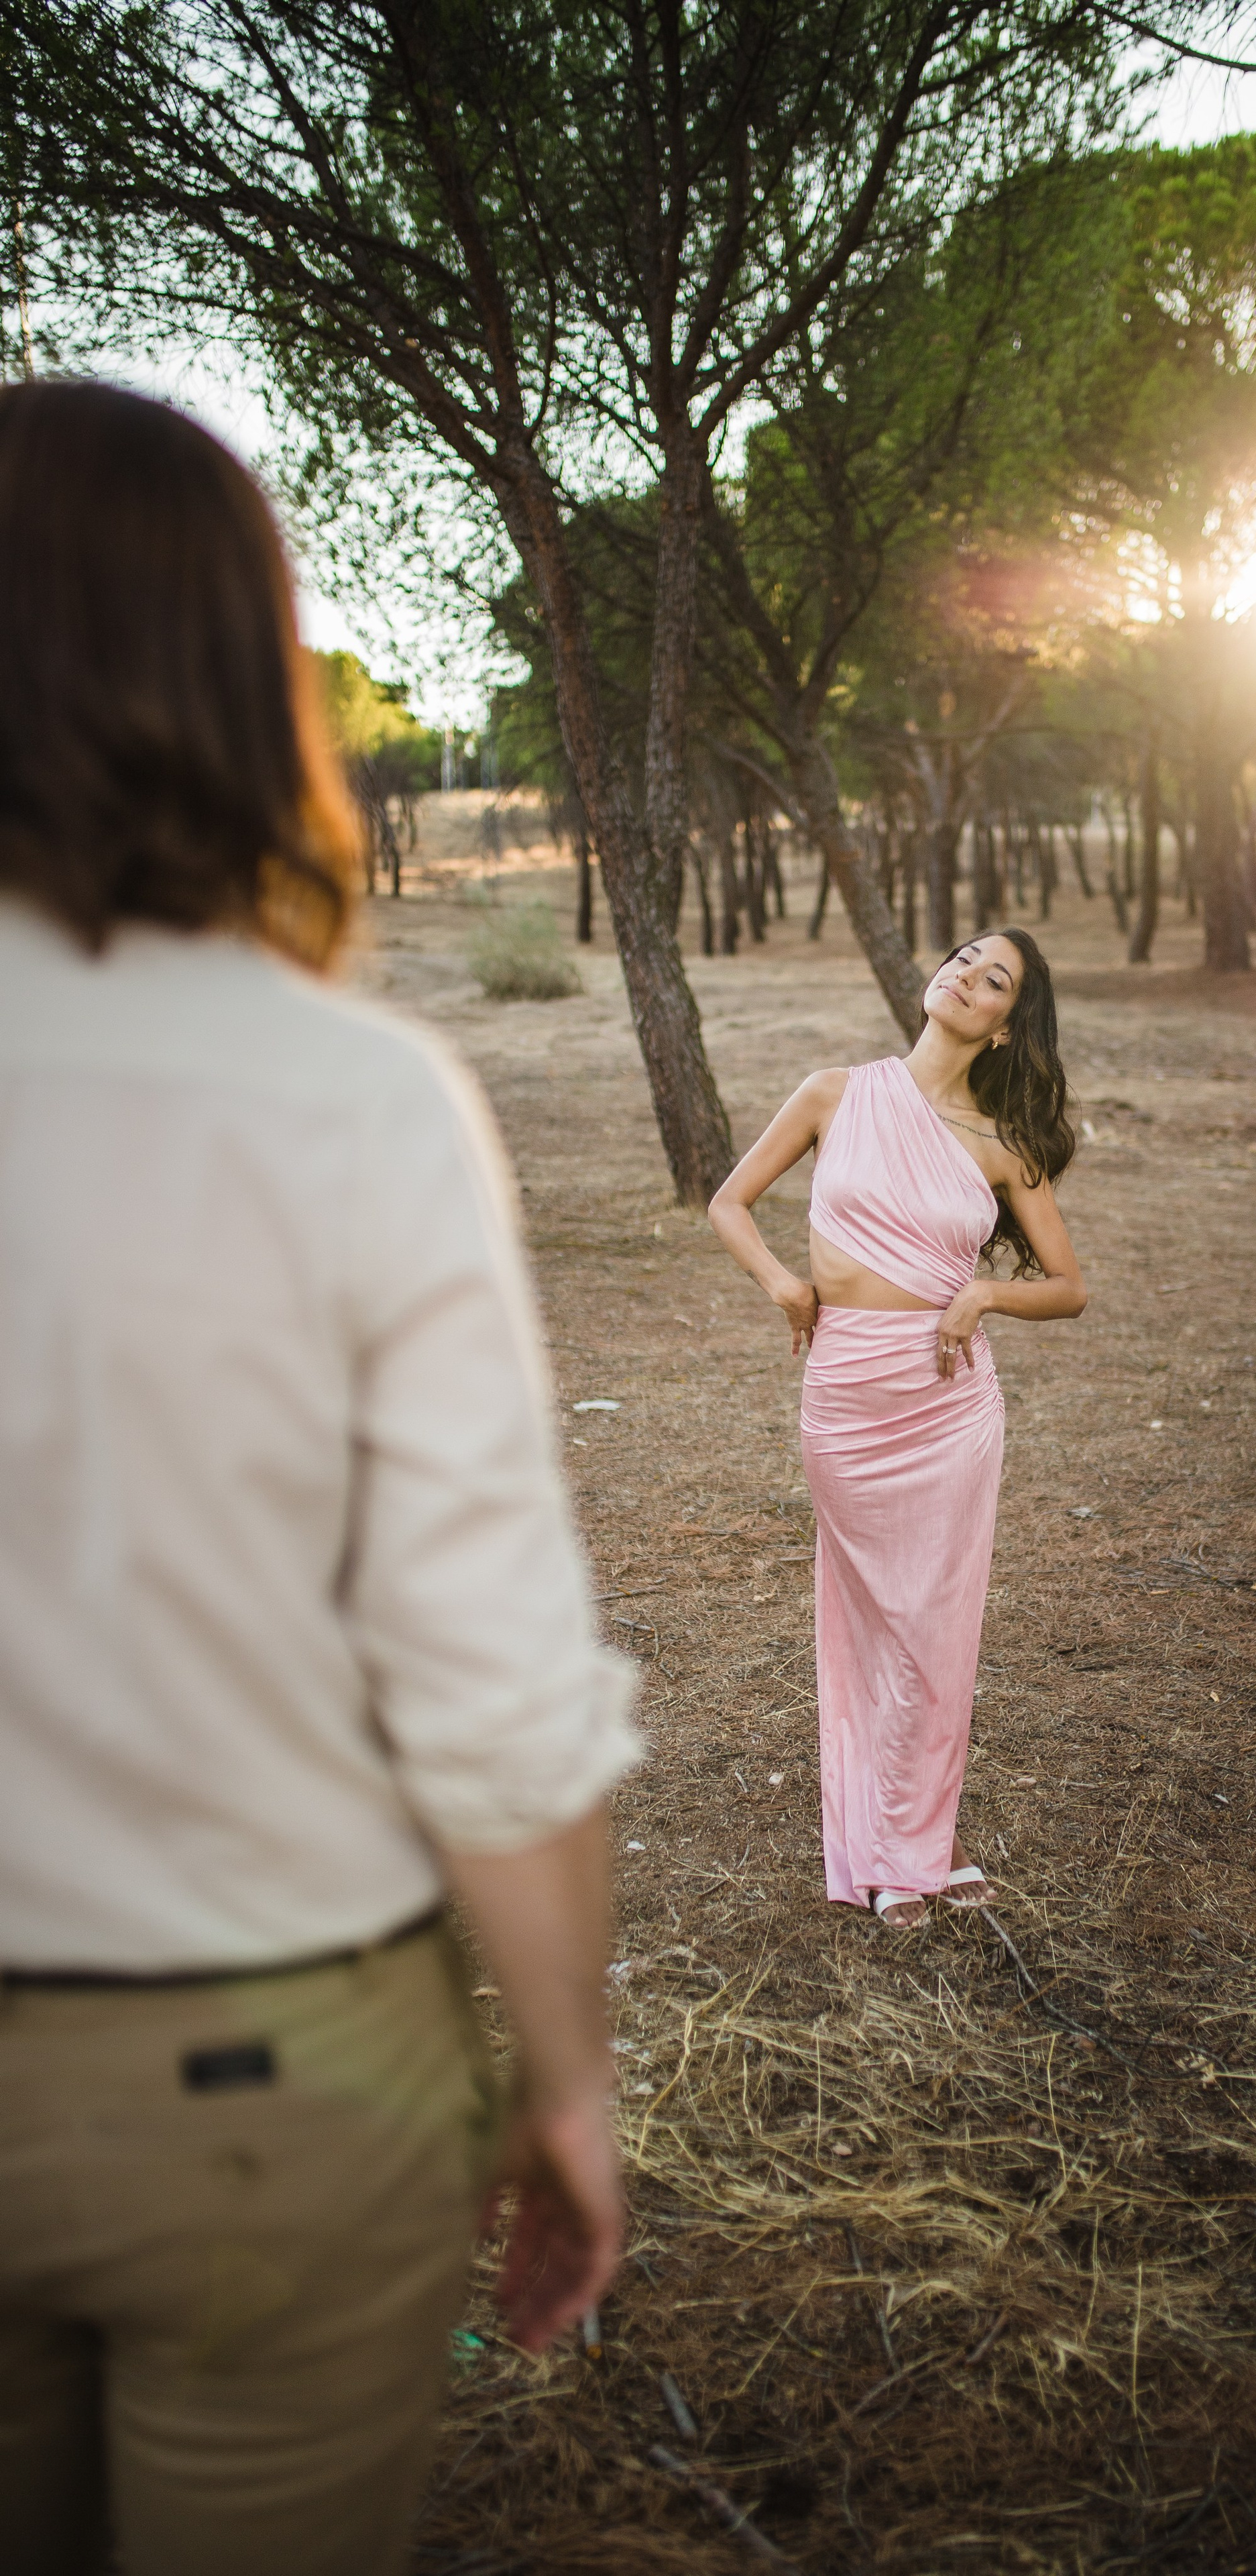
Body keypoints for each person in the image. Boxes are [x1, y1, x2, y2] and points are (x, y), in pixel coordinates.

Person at [0, 381, 642, 2576]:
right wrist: (568, 2081)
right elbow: (490, 1692)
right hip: (268, 2087)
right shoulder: (355, 1104)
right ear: (241, 673)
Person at [709, 932, 1086, 1927]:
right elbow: (730, 1202)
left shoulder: (1001, 1143)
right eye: (964, 957)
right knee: (871, 1615)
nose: (967, 974)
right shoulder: (835, 1093)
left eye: (994, 979)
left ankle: (920, 1843)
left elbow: (1070, 1288)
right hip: (846, 1391)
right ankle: (895, 1838)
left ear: (1005, 1025)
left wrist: (984, 1301)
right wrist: (786, 1285)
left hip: (948, 1400)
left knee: (934, 1626)